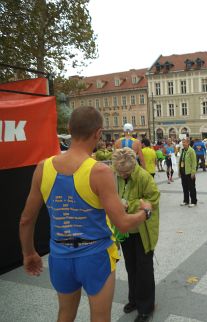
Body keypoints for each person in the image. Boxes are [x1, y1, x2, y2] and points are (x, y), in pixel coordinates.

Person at [19, 106, 149, 322]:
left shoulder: (44, 167)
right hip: (95, 255)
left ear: (69, 129)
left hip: (60, 254)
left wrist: (29, 253)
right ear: (99, 133)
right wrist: (145, 212)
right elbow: (123, 223)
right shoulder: (99, 171)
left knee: (65, 314)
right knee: (100, 317)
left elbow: (26, 219)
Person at [112, 148, 160, 322]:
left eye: (125, 172)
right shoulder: (116, 174)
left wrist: (127, 205)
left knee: (144, 269)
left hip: (143, 231)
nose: (122, 175)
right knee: (131, 267)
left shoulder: (144, 177)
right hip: (126, 230)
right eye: (119, 172)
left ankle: (146, 307)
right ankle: (134, 299)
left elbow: (153, 200)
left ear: (133, 167)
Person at [178, 138, 197, 207]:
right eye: (183, 142)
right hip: (183, 172)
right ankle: (186, 200)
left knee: (191, 187)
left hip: (189, 172)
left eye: (185, 142)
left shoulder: (191, 151)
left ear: (188, 143)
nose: (183, 144)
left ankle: (194, 201)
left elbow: (194, 162)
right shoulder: (182, 150)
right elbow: (180, 161)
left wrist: (193, 172)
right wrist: (179, 171)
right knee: (184, 187)